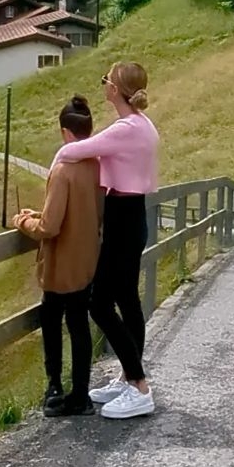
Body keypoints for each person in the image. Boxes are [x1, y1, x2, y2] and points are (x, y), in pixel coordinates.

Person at [53, 61, 158, 420]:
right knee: (126, 299)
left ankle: (140, 386)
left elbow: (74, 150)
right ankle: (130, 377)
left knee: (99, 304)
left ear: (114, 90)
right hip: (130, 215)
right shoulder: (142, 124)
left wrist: (55, 169)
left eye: (106, 81)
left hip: (122, 217)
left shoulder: (126, 128)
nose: (104, 86)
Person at [13, 96, 101, 417]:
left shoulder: (63, 170)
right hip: (86, 260)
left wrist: (23, 221)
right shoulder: (96, 165)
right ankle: (81, 394)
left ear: (65, 132)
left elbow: (49, 227)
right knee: (79, 324)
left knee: (51, 320)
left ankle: (54, 388)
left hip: (61, 264)